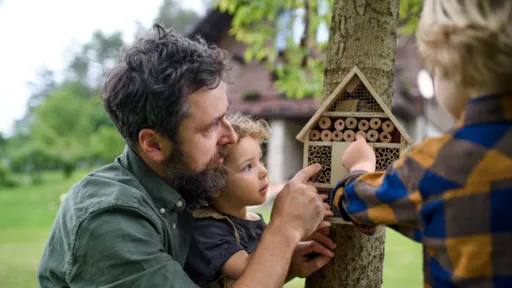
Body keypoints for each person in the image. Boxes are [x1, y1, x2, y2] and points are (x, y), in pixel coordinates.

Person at [37, 24, 336, 288]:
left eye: (225, 116)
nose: (231, 136)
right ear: (154, 144)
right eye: (210, 128)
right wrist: (285, 229)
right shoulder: (110, 223)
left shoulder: (184, 182)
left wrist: (282, 264)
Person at [329, 0, 512, 287]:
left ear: (453, 64)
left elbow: (355, 201)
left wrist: (360, 167)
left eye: (434, 69)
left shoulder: (437, 163)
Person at [183, 114, 334, 287]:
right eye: (248, 167)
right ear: (214, 185)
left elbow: (267, 276)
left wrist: (296, 256)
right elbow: (249, 271)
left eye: (260, 159)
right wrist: (289, 228)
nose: (263, 171)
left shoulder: (255, 221)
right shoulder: (206, 228)